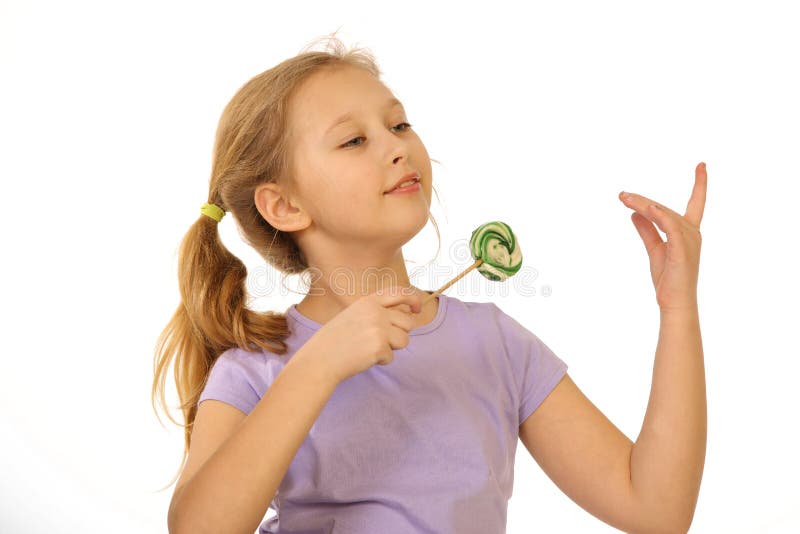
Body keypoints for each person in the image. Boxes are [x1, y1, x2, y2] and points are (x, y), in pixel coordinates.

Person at [153, 34, 708, 534]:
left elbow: (654, 511)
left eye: (398, 124)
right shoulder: (258, 368)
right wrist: (319, 366)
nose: (399, 147)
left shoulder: (493, 344)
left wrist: (678, 307)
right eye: (353, 141)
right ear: (284, 205)